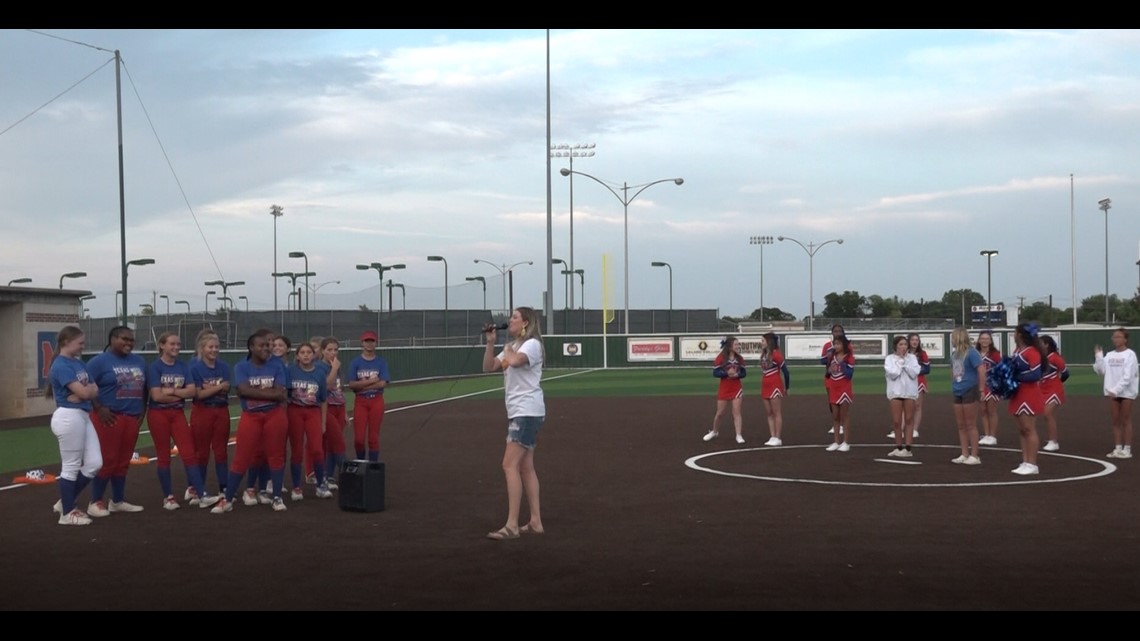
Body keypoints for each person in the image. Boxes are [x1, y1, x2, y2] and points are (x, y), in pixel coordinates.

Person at [482, 307, 546, 540]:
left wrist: (508, 348)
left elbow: (516, 362)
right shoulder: (514, 346)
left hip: (526, 412)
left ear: (526, 323)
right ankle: (536, 521)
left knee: (509, 465)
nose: (509, 321)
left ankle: (511, 525)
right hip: (522, 411)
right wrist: (491, 343)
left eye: (514, 318)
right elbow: (488, 367)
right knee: (525, 467)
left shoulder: (531, 345)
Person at [212, 329, 289, 513]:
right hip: (251, 416)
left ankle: (277, 497)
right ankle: (228, 499)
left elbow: (281, 393)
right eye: (262, 345)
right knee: (242, 457)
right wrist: (269, 394)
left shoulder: (277, 365)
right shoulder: (241, 367)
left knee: (275, 456)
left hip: (274, 415)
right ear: (251, 347)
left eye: (268, 345)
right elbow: (243, 391)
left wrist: (255, 392)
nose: (266, 348)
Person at [146, 332, 219, 510]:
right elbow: (156, 396)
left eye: (178, 344)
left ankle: (201, 494)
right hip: (158, 415)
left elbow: (192, 392)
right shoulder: (155, 367)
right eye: (172, 344)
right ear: (162, 345)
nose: (176, 347)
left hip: (177, 414)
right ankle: (168, 498)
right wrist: (179, 395)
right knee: (164, 456)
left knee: (189, 453)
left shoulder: (183, 366)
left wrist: (171, 392)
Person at [85, 325, 148, 516]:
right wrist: (99, 407)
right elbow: (84, 385)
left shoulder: (139, 361)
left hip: (131, 418)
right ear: (112, 339)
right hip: (109, 417)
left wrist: (142, 413)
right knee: (108, 459)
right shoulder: (99, 361)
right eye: (124, 339)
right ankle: (95, 502)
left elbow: (144, 390)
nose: (129, 343)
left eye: (131, 340)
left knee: (123, 461)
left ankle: (118, 500)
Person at [47, 326, 102, 525]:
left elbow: (93, 390)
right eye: (79, 342)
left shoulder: (78, 364)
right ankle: (68, 513)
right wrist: (86, 392)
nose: (82, 346)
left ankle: (65, 502)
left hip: (82, 415)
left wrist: (85, 392)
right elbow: (88, 392)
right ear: (66, 342)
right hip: (69, 417)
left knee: (95, 463)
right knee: (70, 466)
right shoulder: (61, 365)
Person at [286, 342, 332, 500]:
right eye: (302, 352)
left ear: (314, 355)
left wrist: (324, 421)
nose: (306, 355)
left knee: (317, 449)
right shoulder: (290, 371)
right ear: (297, 356)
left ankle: (320, 485)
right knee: (297, 451)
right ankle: (297, 487)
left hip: (313, 412)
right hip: (295, 411)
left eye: (309, 352)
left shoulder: (319, 373)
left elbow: (324, 400)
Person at [189, 329, 232, 498]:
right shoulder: (195, 367)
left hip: (221, 410)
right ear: (202, 348)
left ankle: (224, 487)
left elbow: (227, 388)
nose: (214, 350)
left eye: (217, 347)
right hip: (202, 411)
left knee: (221, 451)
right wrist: (219, 387)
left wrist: (210, 389)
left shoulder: (224, 367)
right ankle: (198, 489)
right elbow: (198, 394)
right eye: (210, 347)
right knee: (202, 452)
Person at [1093, 327, 1138, 459]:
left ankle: (1127, 449)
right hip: (1112, 392)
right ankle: (1118, 447)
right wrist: (1098, 356)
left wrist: (1116, 389)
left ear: (1125, 339)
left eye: (1118, 337)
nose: (1115, 339)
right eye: (1114, 337)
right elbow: (1101, 371)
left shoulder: (1130, 355)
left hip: (1126, 392)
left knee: (1126, 419)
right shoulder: (1110, 355)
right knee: (1115, 420)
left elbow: (1128, 376)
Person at [1008, 323, 1046, 475]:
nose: (1013, 335)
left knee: (1029, 429)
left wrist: (1015, 377)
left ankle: (1032, 464)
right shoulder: (1017, 350)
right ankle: (1025, 461)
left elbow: (1035, 374)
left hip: (1029, 394)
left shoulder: (1032, 352)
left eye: (1015, 332)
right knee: (1022, 430)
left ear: (1021, 335)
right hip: (1018, 393)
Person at [348, 330, 390, 462]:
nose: (370, 344)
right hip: (361, 402)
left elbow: (382, 383)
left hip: (376, 400)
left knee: (373, 437)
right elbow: (352, 385)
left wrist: (363, 386)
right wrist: (371, 381)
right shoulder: (355, 362)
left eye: (372, 341)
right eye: (367, 341)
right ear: (362, 343)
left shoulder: (381, 362)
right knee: (359, 439)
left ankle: (372, 467)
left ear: (376, 343)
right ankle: (361, 462)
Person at [949, 327, 984, 465]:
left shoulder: (972, 353)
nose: (951, 340)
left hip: (970, 389)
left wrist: (981, 389)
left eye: (953, 337)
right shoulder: (954, 355)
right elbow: (952, 370)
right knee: (961, 425)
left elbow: (981, 370)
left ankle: (974, 455)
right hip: (958, 390)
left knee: (970, 424)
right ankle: (964, 453)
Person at [703, 335, 747, 444]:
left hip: (736, 387)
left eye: (738, 344)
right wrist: (726, 373)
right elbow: (715, 372)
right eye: (736, 344)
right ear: (730, 346)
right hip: (724, 387)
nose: (738, 346)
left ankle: (738, 434)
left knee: (736, 412)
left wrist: (737, 374)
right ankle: (714, 431)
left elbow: (744, 373)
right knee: (720, 413)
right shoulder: (721, 357)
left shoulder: (739, 358)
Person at [887, 333, 929, 440]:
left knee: (917, 405)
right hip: (903, 383)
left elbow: (927, 369)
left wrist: (915, 370)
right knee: (901, 408)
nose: (915, 342)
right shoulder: (897, 356)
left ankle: (914, 429)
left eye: (917, 340)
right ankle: (900, 429)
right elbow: (893, 373)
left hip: (918, 380)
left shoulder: (921, 354)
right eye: (913, 340)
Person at [884, 335, 920, 458]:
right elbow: (893, 373)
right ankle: (898, 447)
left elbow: (914, 373)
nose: (903, 347)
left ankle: (908, 448)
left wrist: (905, 364)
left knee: (909, 419)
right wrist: (900, 363)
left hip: (909, 392)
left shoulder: (912, 358)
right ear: (895, 346)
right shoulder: (889, 359)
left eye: (905, 344)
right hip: (895, 392)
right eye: (901, 344)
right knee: (896, 421)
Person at [319, 337, 347, 490]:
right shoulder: (321, 367)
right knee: (338, 443)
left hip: (339, 407)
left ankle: (329, 476)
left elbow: (339, 389)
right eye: (329, 349)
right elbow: (326, 387)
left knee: (332, 445)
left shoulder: (338, 367)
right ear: (323, 350)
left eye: (335, 350)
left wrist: (345, 412)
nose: (333, 353)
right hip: (326, 408)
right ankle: (348, 475)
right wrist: (334, 368)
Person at [823, 334, 855, 452]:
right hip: (834, 388)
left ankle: (846, 442)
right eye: (834, 344)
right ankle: (836, 441)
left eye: (838, 344)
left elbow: (849, 374)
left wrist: (841, 363)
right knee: (835, 416)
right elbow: (828, 373)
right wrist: (829, 370)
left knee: (844, 416)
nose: (835, 346)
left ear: (844, 345)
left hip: (844, 389)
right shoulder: (832, 357)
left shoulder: (849, 358)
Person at [1039, 335, 1069, 452]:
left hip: (1054, 390)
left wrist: (1057, 382)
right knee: (1046, 416)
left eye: (1041, 343)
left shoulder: (1054, 357)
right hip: (1044, 390)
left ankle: (1053, 441)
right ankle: (1052, 439)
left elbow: (1066, 373)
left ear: (1046, 344)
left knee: (1048, 414)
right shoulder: (1042, 357)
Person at [758, 332, 789, 447]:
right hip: (765, 385)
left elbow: (786, 371)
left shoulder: (776, 355)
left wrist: (787, 387)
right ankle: (772, 436)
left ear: (769, 342)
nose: (761, 343)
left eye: (763, 341)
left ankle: (778, 437)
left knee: (776, 413)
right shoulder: (764, 355)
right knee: (769, 413)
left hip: (775, 384)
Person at [976, 330, 1002, 446]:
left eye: (987, 339)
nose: (984, 341)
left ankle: (992, 435)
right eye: (982, 338)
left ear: (990, 341)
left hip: (992, 386)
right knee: (983, 411)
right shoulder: (975, 353)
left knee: (991, 411)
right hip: (979, 385)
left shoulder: (995, 354)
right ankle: (986, 434)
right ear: (979, 340)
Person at [822, 324, 846, 435]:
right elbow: (822, 361)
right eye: (835, 331)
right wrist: (829, 356)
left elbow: (850, 360)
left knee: (842, 401)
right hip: (830, 376)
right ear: (832, 333)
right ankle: (836, 423)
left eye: (839, 331)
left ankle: (842, 424)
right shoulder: (827, 346)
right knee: (832, 401)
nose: (837, 333)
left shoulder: (846, 346)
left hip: (842, 377)